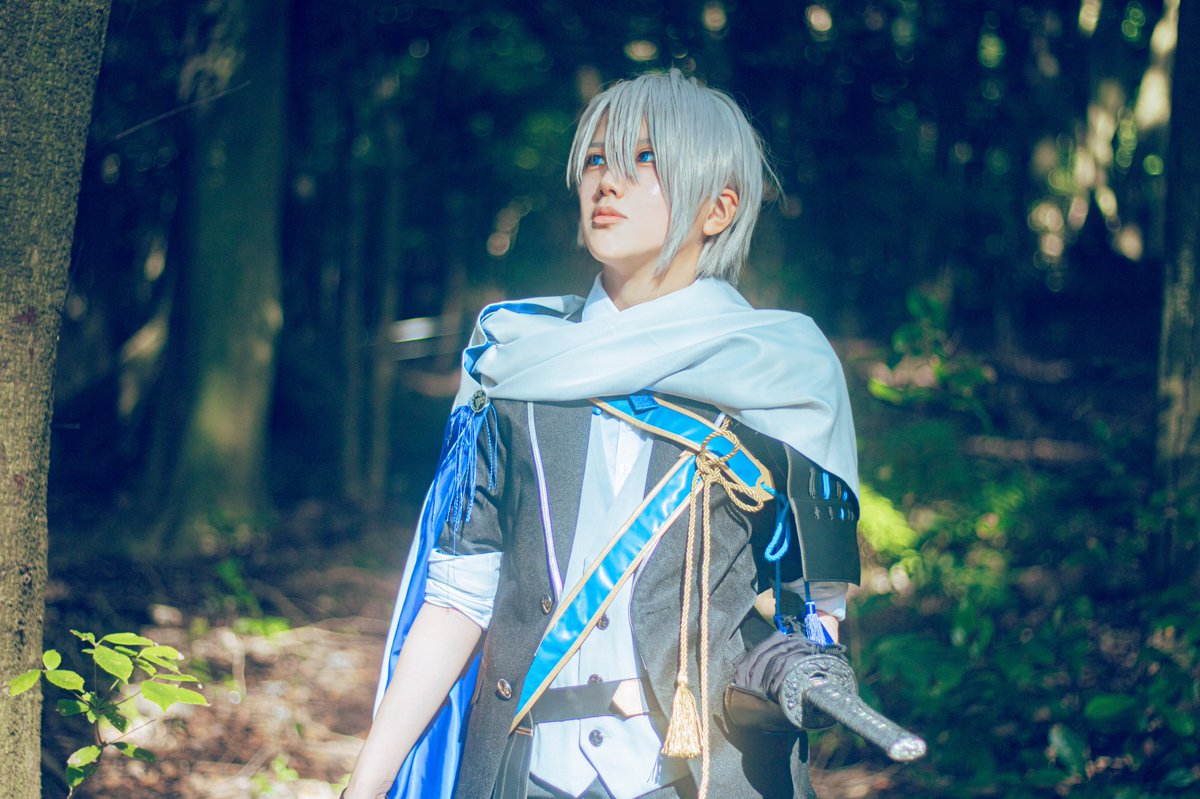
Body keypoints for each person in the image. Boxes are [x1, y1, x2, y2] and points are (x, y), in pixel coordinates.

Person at [344, 69, 861, 799]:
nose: (607, 181)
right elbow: (458, 596)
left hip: (707, 772)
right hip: (521, 770)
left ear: (719, 208)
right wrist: (366, 782)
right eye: (595, 159)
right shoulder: (517, 365)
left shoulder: (782, 373)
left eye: (645, 159)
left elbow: (817, 604)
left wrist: (807, 664)